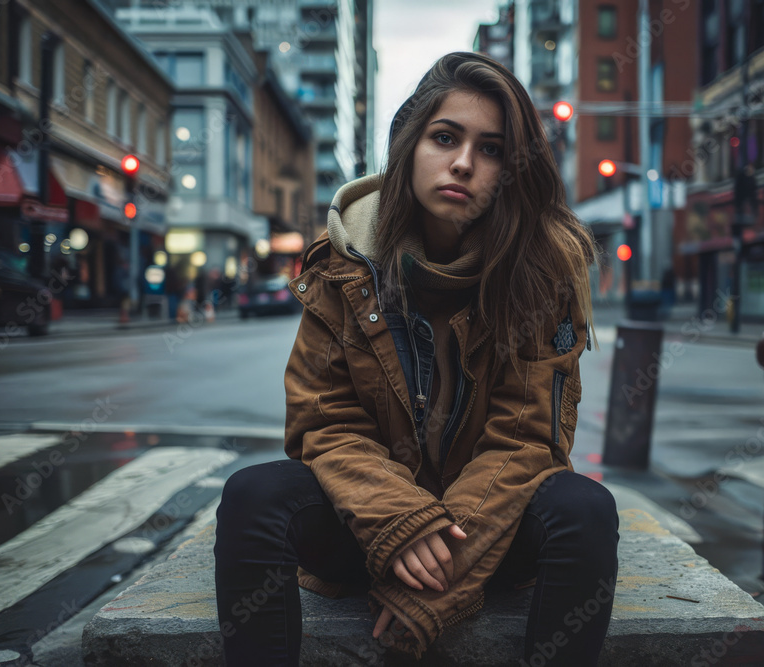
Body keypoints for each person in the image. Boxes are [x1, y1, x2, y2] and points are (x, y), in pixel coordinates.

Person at [213, 52, 619, 666]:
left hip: (491, 529)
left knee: (584, 511)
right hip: (366, 524)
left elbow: (527, 439)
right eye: (446, 137)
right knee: (253, 497)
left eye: (492, 150)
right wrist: (399, 521)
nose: (463, 162)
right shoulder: (344, 263)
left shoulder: (542, 273)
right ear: (409, 144)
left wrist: (443, 566)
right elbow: (324, 424)